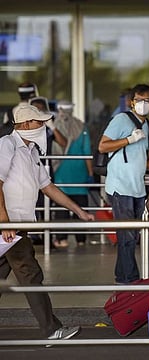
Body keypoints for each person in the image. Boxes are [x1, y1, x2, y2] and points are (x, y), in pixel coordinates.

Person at [0, 104, 95, 341]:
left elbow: (48, 187)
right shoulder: (7, 145)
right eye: (38, 122)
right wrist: (5, 222)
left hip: (18, 226)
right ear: (24, 125)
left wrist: (79, 210)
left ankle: (50, 329)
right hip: (10, 225)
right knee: (31, 274)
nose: (43, 126)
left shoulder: (31, 151)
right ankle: (51, 329)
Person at [98, 83, 149, 284]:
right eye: (139, 100)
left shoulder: (147, 124)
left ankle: (122, 276)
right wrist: (128, 140)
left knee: (132, 236)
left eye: (147, 100)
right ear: (131, 102)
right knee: (127, 237)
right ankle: (131, 280)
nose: (143, 104)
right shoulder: (121, 120)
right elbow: (103, 146)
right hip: (120, 186)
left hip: (138, 187)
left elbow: (143, 154)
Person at [51, 100, 94, 248]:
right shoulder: (81, 126)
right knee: (80, 205)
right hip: (80, 172)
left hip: (61, 172)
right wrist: (90, 173)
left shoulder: (54, 125)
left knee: (61, 206)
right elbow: (87, 152)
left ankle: (61, 239)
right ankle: (81, 239)